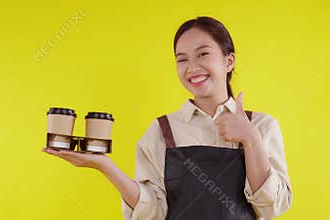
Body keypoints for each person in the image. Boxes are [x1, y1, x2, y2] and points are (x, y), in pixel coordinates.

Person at [42, 16, 293, 220]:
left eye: (203, 54)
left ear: (229, 61)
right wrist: (105, 166)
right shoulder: (163, 129)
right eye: (181, 59)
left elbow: (271, 208)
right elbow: (154, 212)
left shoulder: (261, 125)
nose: (192, 67)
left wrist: (251, 139)